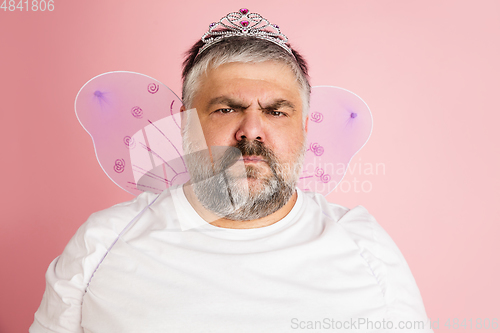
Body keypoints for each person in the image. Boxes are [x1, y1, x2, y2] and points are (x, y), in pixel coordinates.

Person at [30, 9, 432, 333]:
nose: (251, 131)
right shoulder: (101, 244)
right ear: (186, 124)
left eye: (276, 111)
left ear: (305, 129)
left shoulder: (365, 247)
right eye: (227, 109)